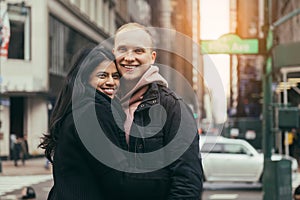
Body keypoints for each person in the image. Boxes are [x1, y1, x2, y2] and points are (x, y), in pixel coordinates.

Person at [112, 22, 203, 199]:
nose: (129, 58)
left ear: (152, 57)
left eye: (139, 51)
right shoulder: (101, 102)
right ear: (113, 53)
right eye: (123, 49)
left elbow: (187, 182)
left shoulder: (173, 107)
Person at [39, 45, 126, 199]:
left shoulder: (77, 108)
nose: (111, 82)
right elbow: (117, 177)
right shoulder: (94, 112)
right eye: (102, 75)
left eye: (116, 76)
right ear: (85, 78)